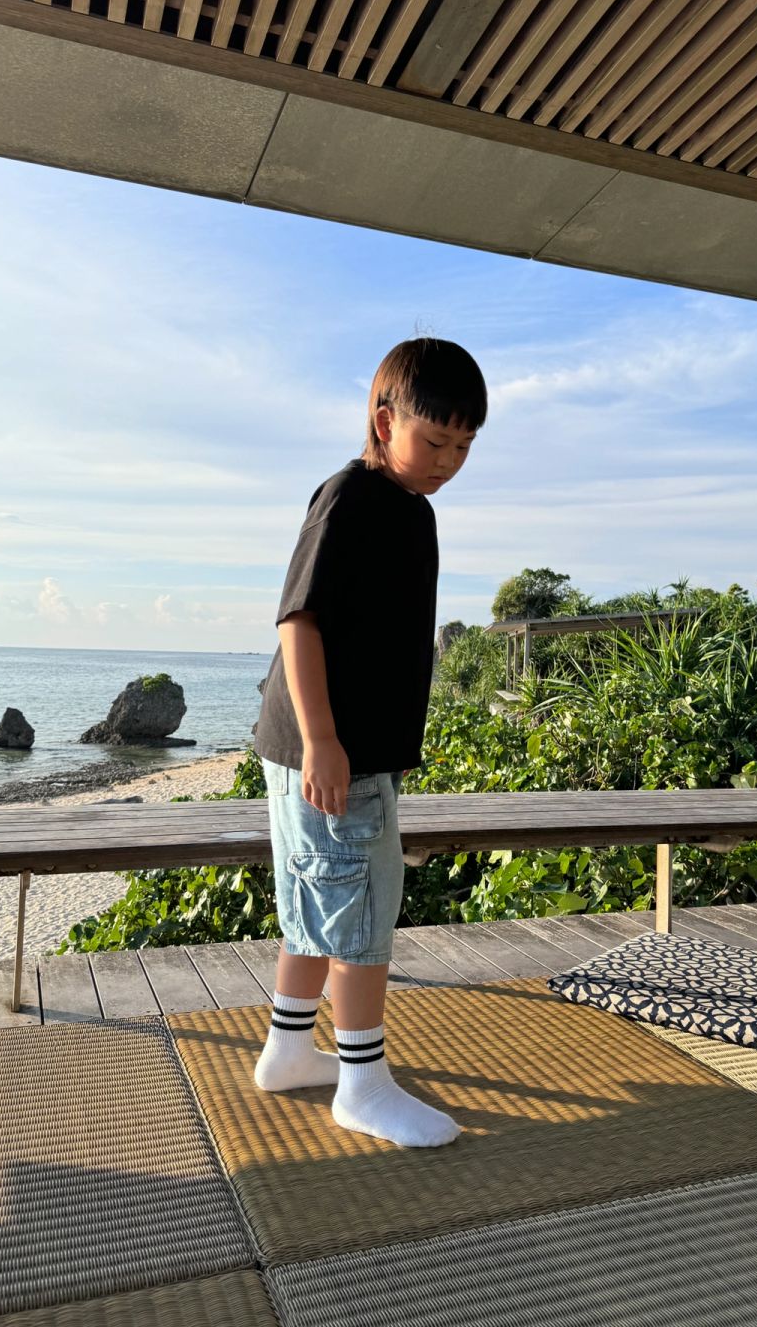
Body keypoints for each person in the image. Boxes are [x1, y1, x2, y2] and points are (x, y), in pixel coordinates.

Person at [252, 337, 486, 1149]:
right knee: (360, 916)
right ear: (384, 422)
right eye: (436, 441)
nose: (449, 461)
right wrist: (322, 741)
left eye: (464, 446)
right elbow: (298, 621)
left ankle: (287, 1051)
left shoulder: (410, 510)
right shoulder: (350, 497)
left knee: (322, 904)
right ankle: (363, 1084)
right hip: (330, 753)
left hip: (349, 751)